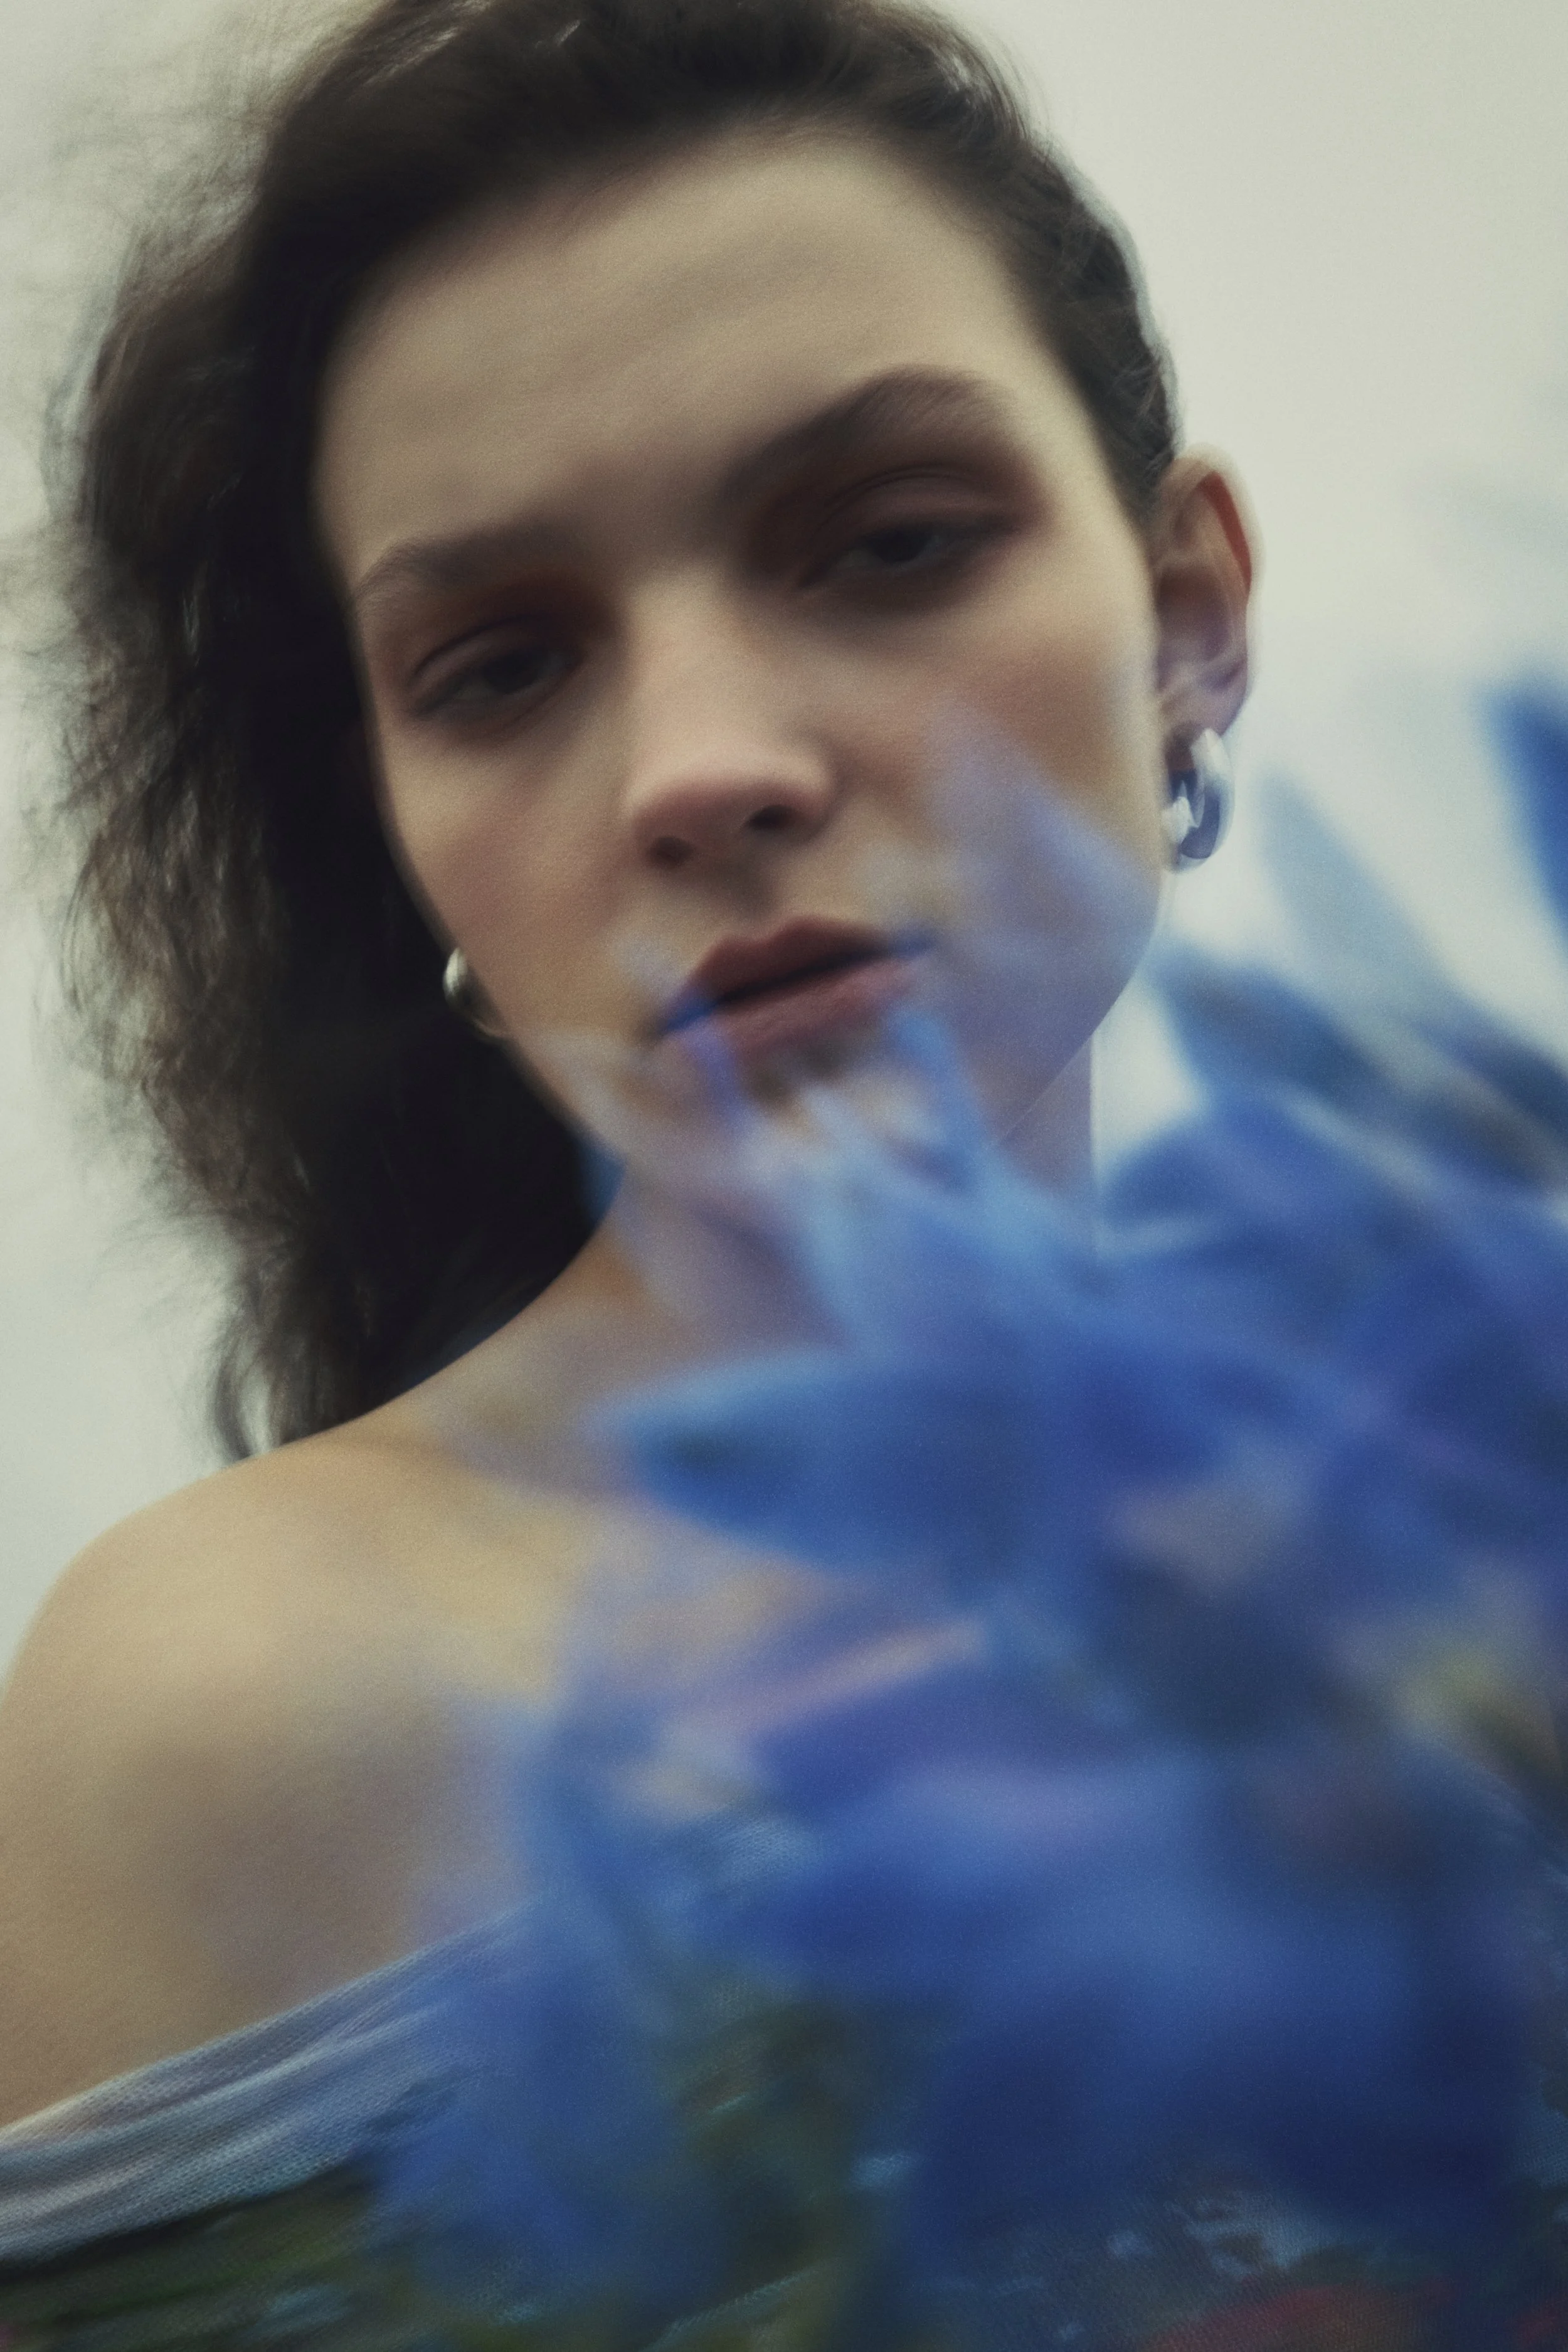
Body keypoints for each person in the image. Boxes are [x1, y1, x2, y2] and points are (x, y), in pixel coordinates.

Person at [0, 0, 1266, 2329]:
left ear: (1185, 617)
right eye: (498, 666)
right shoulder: (253, 1710)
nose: (697, 765)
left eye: (886, 540)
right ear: (403, 847)